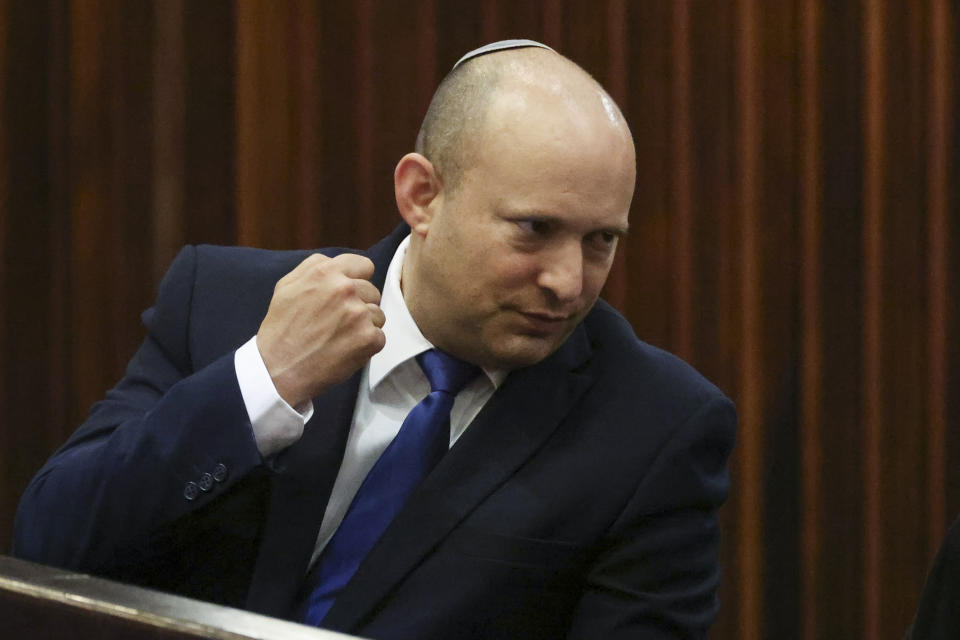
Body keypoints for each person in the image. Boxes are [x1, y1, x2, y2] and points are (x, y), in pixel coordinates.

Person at [13, 40, 736, 639]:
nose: (568, 282)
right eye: (535, 230)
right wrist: (261, 384)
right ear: (422, 195)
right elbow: (50, 546)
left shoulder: (655, 428)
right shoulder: (224, 303)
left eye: (601, 240)